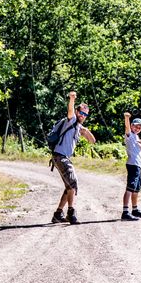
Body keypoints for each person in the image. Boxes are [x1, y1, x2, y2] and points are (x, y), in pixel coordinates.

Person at [51, 91, 95, 224]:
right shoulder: (71, 120)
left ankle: (58, 214)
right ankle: (71, 212)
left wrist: (86, 131)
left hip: (63, 157)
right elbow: (70, 111)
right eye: (81, 112)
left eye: (86, 114)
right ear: (77, 111)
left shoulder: (78, 126)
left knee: (69, 186)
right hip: (60, 156)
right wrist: (72, 99)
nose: (83, 115)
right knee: (73, 183)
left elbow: (92, 141)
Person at [121, 112, 141, 220]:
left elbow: (140, 154)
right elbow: (126, 127)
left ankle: (135, 209)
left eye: (139, 127)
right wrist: (127, 118)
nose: (137, 128)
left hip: (138, 165)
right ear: (132, 125)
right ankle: (125, 211)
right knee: (130, 187)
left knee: (136, 188)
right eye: (135, 126)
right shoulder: (130, 135)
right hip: (132, 164)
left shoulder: (137, 137)